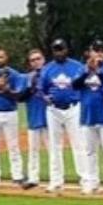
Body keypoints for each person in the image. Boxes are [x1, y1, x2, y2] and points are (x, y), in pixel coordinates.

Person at [40, 39, 85, 192]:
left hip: (73, 108)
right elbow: (42, 89)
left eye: (61, 49)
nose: (59, 52)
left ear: (67, 49)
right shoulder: (47, 69)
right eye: (56, 49)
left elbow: (83, 85)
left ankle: (85, 179)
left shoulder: (77, 66)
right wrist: (45, 98)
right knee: (55, 146)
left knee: (78, 144)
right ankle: (56, 180)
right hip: (54, 110)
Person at [0, 47, 28, 188]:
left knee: (13, 146)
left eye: (0, 57)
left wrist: (7, 89)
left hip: (10, 112)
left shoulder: (15, 75)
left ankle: (18, 176)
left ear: (6, 58)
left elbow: (18, 96)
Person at [78, 41, 103, 195]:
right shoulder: (83, 68)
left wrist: (98, 71)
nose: (99, 53)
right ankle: (92, 182)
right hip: (88, 116)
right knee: (90, 152)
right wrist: (87, 71)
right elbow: (75, 85)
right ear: (90, 52)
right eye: (95, 50)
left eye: (102, 50)